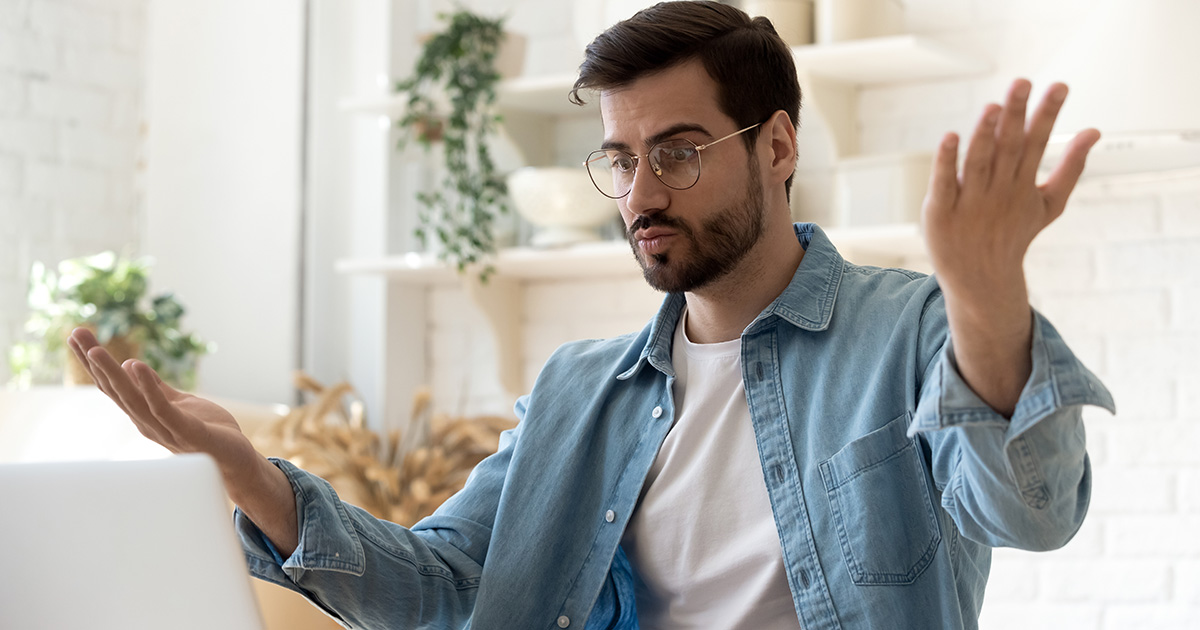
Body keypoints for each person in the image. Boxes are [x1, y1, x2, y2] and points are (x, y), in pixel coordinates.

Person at [69, 2, 1115, 628]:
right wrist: (251, 475)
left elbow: (1033, 514)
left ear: (779, 147)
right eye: (620, 158)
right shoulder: (580, 391)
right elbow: (443, 587)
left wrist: (986, 295)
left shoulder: (911, 333)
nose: (642, 193)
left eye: (679, 151)